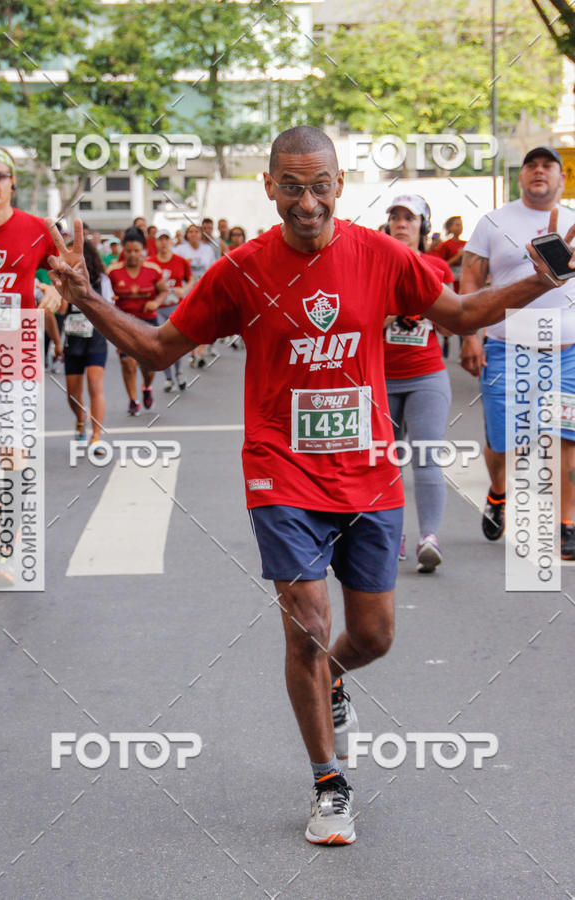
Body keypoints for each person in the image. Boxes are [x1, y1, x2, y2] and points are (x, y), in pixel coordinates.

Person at [46, 126, 566, 846]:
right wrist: (84, 298)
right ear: (269, 187)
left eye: (319, 185)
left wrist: (541, 280)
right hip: (280, 469)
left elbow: (461, 313)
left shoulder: (383, 256)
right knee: (309, 628)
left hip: (369, 474)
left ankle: (331, 679)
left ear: (339, 185)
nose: (307, 201)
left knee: (374, 636)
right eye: (291, 186)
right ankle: (329, 782)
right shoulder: (240, 270)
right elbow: (159, 349)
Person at [459, 146, 575, 558]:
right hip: (507, 347)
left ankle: (566, 524)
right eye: (532, 165)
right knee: (504, 439)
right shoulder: (494, 221)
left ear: (562, 177)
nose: (539, 171)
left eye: (548, 165)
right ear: (521, 176)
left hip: (567, 349)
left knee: (565, 434)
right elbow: (470, 280)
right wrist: (470, 335)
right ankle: (498, 491)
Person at [0, 143, 60, 585]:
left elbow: (64, 279)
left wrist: (52, 295)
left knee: (12, 455)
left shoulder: (37, 229)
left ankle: (6, 552)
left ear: (12, 183)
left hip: (16, 348)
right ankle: (15, 508)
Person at [383, 195, 455, 571]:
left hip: (427, 374)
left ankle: (429, 538)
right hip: (379, 378)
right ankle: (392, 535)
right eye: (395, 217)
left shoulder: (437, 266)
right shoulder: (375, 264)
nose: (401, 223)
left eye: (409, 218)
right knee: (383, 461)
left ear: (424, 227)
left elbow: (450, 323)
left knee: (426, 457)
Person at [107, 227, 167, 414]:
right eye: (129, 251)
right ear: (124, 250)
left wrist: (155, 302)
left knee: (149, 365)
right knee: (128, 363)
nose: (133, 255)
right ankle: (133, 401)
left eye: (136, 251)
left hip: (148, 322)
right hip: (124, 324)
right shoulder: (113, 272)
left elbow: (164, 291)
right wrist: (112, 301)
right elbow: (105, 297)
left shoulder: (153, 270)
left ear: (143, 251)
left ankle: (147, 387)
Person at [62, 240, 113, 455]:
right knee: (73, 392)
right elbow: (61, 309)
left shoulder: (102, 280)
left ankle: (97, 436)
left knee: (94, 383)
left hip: (96, 337)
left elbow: (110, 308)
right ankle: (80, 419)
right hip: (73, 338)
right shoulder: (64, 278)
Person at [147, 229, 192, 391]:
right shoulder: (150, 263)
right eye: (161, 239)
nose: (164, 242)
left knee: (176, 341)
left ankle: (179, 371)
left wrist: (184, 289)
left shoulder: (180, 261)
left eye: (167, 239)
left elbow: (190, 278)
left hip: (176, 306)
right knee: (162, 342)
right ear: (156, 242)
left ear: (171, 242)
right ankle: (168, 377)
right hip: (158, 308)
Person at [175, 224, 216, 367]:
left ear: (201, 234)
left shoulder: (208, 249)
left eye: (196, 232)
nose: (193, 234)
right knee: (191, 323)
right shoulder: (180, 250)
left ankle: (201, 353)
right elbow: (176, 270)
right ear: (187, 235)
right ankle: (192, 352)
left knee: (205, 322)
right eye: (190, 232)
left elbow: (212, 269)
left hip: (205, 290)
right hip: (188, 291)